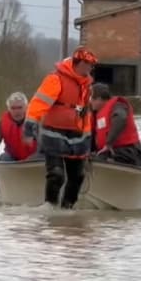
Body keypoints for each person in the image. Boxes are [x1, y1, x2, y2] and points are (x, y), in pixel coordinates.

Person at [23, 46, 97, 209]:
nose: (92, 68)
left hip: (78, 137)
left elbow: (84, 113)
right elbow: (38, 104)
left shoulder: (86, 86)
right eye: (89, 64)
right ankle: (49, 207)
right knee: (56, 175)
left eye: (92, 65)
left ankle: (67, 209)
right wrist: (29, 129)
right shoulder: (56, 79)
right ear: (79, 63)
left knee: (77, 177)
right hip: (53, 134)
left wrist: (89, 142)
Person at [88, 83, 141, 167]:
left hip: (128, 152)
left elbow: (121, 118)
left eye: (91, 99)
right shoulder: (96, 115)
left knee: (99, 158)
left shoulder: (118, 106)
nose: (90, 102)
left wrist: (108, 144)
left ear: (99, 99)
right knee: (84, 158)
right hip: (110, 152)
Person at [0, 92, 39, 167]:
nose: (17, 111)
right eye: (13, 108)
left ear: (26, 107)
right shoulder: (3, 122)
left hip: (35, 159)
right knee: (3, 158)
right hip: (13, 158)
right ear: (9, 109)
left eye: (19, 107)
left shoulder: (37, 120)